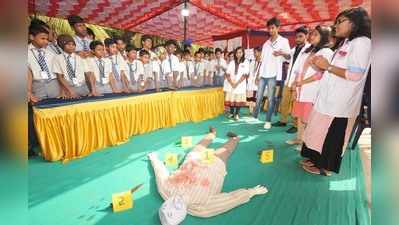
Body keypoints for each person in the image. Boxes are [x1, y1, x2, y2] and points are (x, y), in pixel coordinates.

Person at [300, 7, 371, 176]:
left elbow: (355, 75)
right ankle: (315, 159)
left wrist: (328, 66)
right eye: (336, 22)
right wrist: (322, 65)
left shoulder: (362, 42)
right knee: (317, 131)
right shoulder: (347, 42)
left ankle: (324, 168)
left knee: (330, 136)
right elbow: (335, 69)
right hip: (329, 98)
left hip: (341, 102)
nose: (336, 25)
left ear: (354, 23)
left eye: (340, 22)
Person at [148, 127, 268, 222]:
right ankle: (235, 138)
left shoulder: (165, 190)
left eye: (171, 204)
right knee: (225, 150)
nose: (176, 203)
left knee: (199, 146)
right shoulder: (203, 209)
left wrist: (154, 159)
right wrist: (251, 192)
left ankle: (212, 134)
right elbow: (230, 200)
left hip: (192, 163)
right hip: (213, 168)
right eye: (177, 208)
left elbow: (160, 173)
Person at [289, 25, 333, 151]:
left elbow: (320, 74)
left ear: (324, 37)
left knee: (307, 118)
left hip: (311, 90)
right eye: (311, 34)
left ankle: (305, 143)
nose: (311, 37)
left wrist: (302, 82)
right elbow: (299, 68)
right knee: (299, 116)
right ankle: (299, 138)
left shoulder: (326, 52)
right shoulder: (309, 50)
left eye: (315, 35)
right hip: (300, 88)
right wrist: (295, 84)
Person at [253, 17, 291, 129]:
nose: (270, 30)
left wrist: (281, 53)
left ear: (278, 28)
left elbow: (289, 57)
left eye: (273, 28)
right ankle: (255, 116)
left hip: (273, 75)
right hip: (263, 74)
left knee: (270, 98)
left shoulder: (284, 41)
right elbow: (262, 61)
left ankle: (268, 121)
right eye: (269, 28)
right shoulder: (266, 43)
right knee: (259, 96)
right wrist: (258, 75)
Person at [273, 26, 309, 134]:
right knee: (284, 101)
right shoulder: (295, 48)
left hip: (298, 82)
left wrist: (298, 80)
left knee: (295, 104)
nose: (297, 39)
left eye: (300, 36)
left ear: (307, 36)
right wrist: (281, 53)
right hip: (289, 79)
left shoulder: (309, 49)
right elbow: (289, 56)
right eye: (296, 37)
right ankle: (283, 120)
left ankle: (295, 124)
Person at [28, 24, 61, 102]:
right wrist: (28, 91)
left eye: (47, 39)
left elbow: (58, 72)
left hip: (54, 85)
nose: (46, 41)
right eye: (42, 38)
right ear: (32, 37)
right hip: (37, 86)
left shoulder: (51, 54)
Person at [52, 34, 90, 99]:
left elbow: (87, 74)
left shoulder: (79, 57)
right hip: (69, 88)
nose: (71, 47)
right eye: (68, 44)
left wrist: (91, 89)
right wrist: (70, 91)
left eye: (73, 44)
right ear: (62, 45)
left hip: (83, 87)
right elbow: (60, 77)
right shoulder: (58, 58)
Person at [224, 47, 250, 120]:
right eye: (237, 52)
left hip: (240, 83)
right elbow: (227, 73)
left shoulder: (246, 62)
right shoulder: (232, 62)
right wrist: (231, 82)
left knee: (238, 98)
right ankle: (232, 113)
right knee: (231, 98)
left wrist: (237, 83)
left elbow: (245, 74)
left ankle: (237, 114)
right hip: (231, 83)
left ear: (243, 53)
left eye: (240, 52)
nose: (238, 54)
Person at [247, 46, 262, 114]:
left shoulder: (263, 62)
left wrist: (258, 78)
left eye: (255, 52)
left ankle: (256, 110)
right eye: (254, 52)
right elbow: (249, 71)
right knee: (250, 96)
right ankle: (250, 110)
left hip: (258, 81)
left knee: (257, 96)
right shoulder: (253, 61)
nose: (254, 54)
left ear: (260, 52)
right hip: (251, 81)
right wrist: (248, 77)